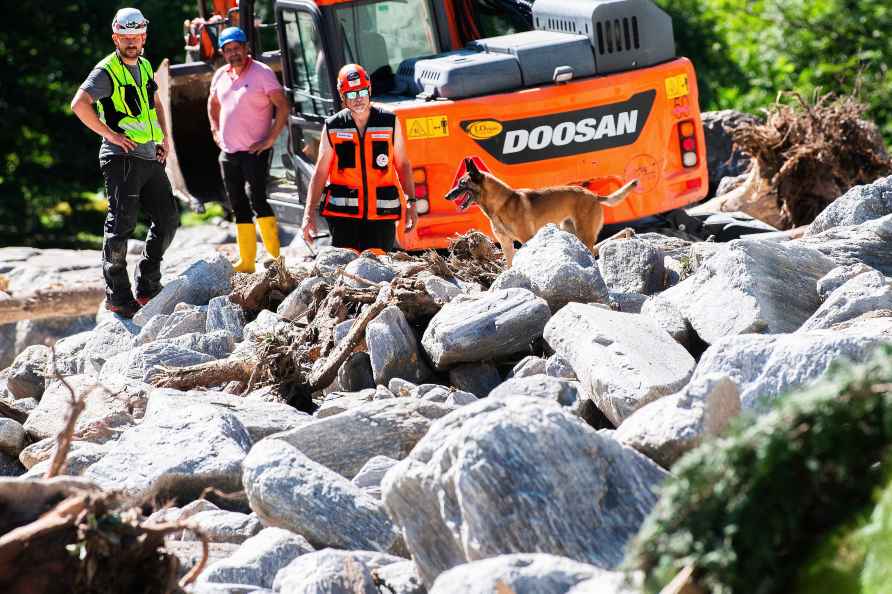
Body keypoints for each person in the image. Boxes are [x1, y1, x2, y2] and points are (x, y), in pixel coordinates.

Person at [70, 7, 180, 318]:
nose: (131, 43)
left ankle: (147, 284)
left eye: (136, 37)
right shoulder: (106, 70)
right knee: (120, 226)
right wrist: (112, 136)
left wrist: (164, 138)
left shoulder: (145, 65)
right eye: (125, 38)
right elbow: (79, 104)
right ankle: (117, 295)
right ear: (116, 37)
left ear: (143, 36)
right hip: (121, 158)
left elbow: (155, 101)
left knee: (168, 221)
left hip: (149, 156)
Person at [301, 64, 418, 252]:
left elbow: (403, 164)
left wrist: (411, 203)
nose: (358, 99)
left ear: (369, 89)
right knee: (348, 269)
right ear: (343, 96)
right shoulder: (333, 126)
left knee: (378, 269)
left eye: (362, 92)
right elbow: (320, 172)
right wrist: (309, 214)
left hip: (381, 216)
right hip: (343, 218)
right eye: (351, 94)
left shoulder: (389, 121)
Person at [207, 27, 289, 273]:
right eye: (228, 49)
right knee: (237, 204)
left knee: (258, 200)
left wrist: (270, 139)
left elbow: (283, 107)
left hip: (255, 151)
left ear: (246, 48)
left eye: (237, 48)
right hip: (229, 152)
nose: (233, 53)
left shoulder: (262, 73)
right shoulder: (221, 75)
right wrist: (215, 132)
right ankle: (247, 261)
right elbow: (212, 104)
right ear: (223, 53)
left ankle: (275, 258)